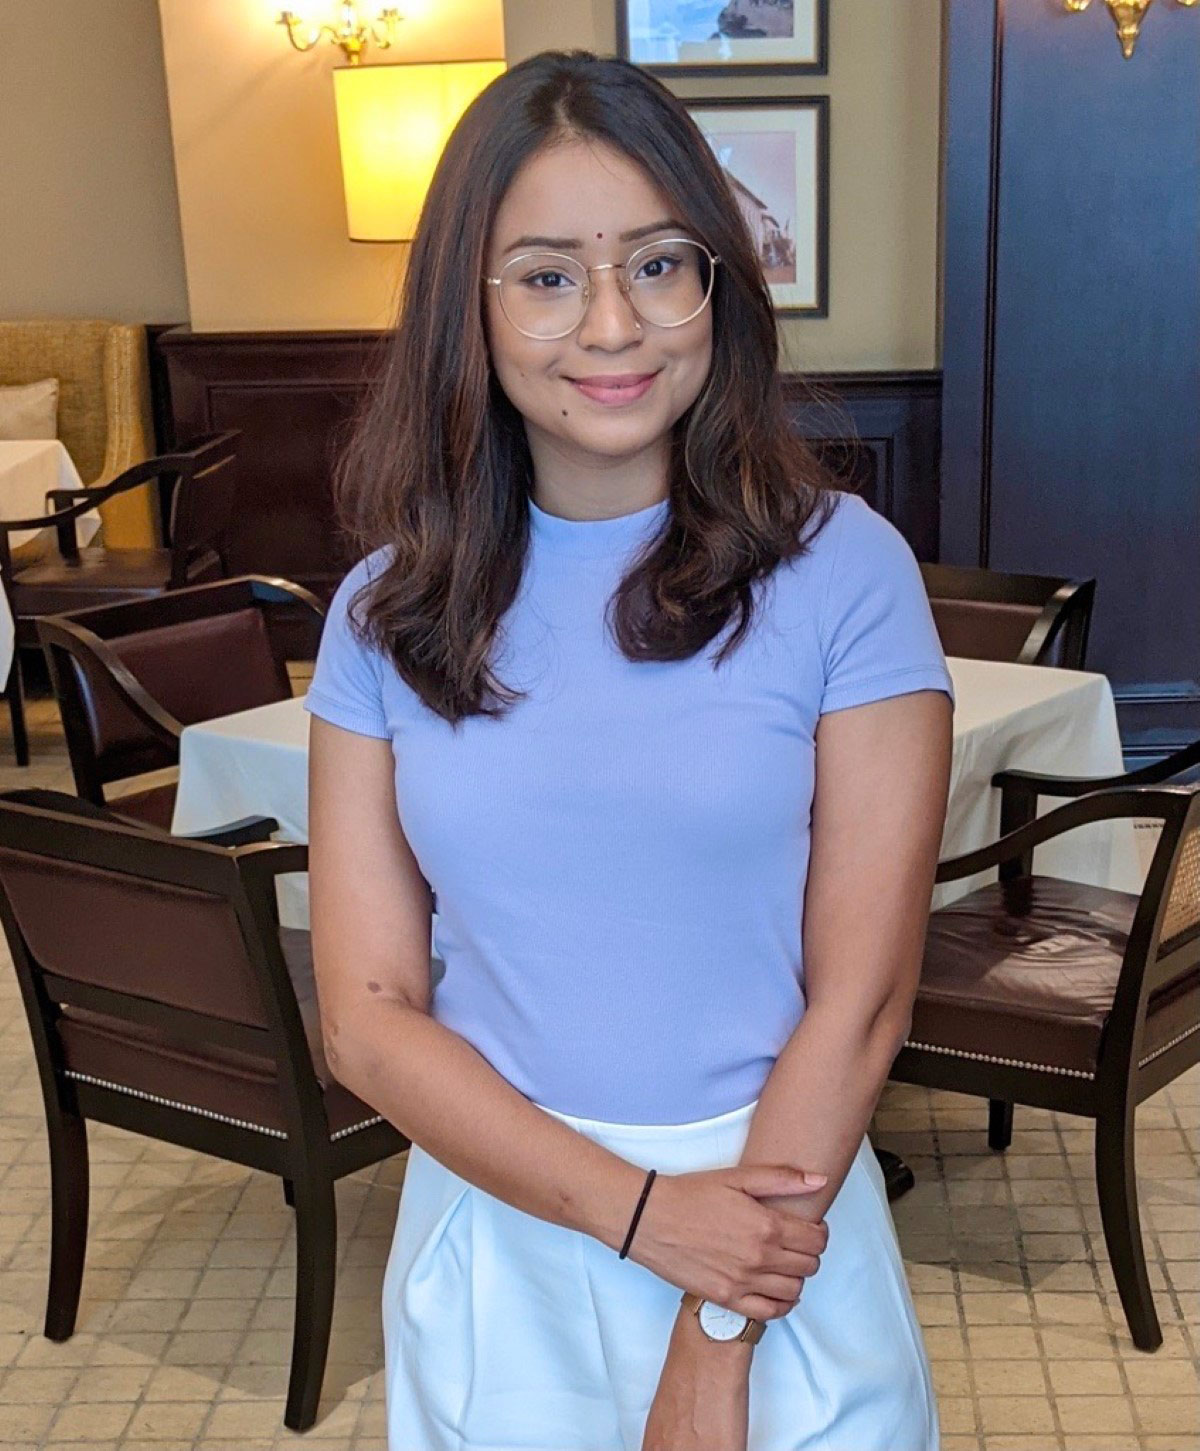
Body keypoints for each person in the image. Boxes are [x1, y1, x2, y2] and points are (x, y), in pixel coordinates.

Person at [306, 49, 953, 1451]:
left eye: (660, 265)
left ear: (717, 281)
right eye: (545, 276)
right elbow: (364, 1015)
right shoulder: (384, 610)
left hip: (773, 1228)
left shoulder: (845, 571)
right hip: (503, 1225)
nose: (614, 323)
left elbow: (862, 999)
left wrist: (711, 1341)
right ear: (463, 312)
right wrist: (644, 1218)